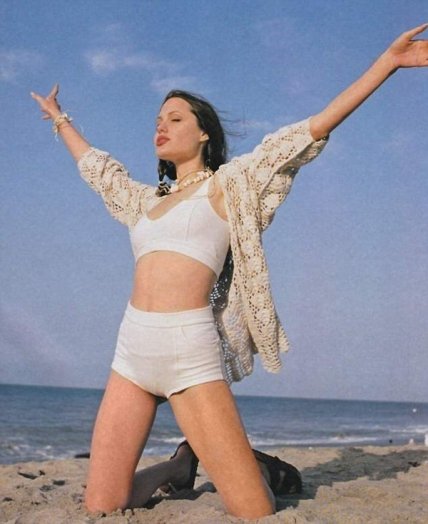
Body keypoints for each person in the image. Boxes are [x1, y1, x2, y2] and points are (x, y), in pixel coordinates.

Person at [31, 24, 428, 519]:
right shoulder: (142, 202)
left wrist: (388, 64)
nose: (161, 127)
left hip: (189, 353)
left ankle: (256, 470)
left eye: (175, 118)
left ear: (204, 133)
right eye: (157, 120)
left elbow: (309, 132)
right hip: (132, 351)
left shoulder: (231, 186)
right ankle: (178, 466)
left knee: (254, 509)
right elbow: (99, 170)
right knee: (103, 504)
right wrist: (60, 119)